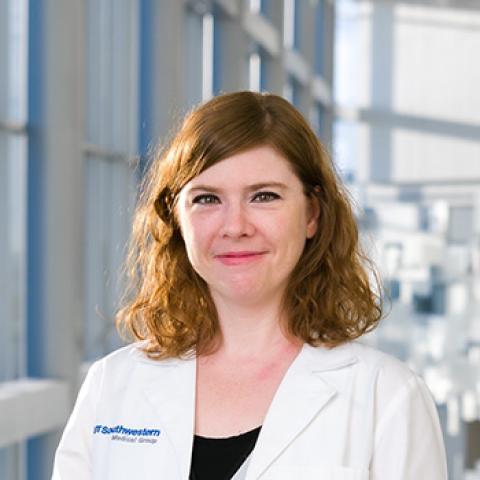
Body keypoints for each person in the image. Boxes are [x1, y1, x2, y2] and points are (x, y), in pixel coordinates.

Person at [52, 91, 447, 480]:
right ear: (176, 217)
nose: (235, 226)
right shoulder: (112, 386)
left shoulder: (388, 397)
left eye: (263, 196)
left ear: (312, 213)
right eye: (207, 199)